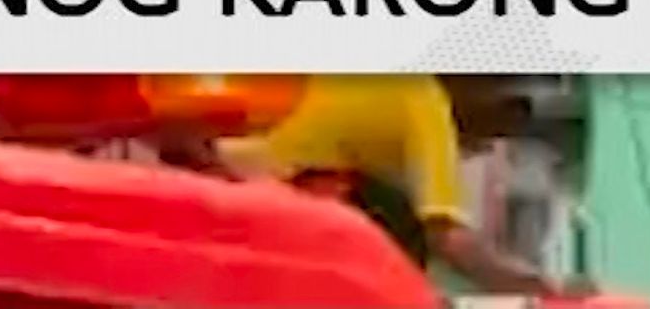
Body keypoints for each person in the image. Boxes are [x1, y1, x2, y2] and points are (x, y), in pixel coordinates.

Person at [223, 75, 561, 297]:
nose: (487, 146)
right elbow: (449, 240)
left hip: (230, 152)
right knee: (399, 229)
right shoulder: (427, 105)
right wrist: (545, 292)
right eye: (499, 129)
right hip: (252, 178)